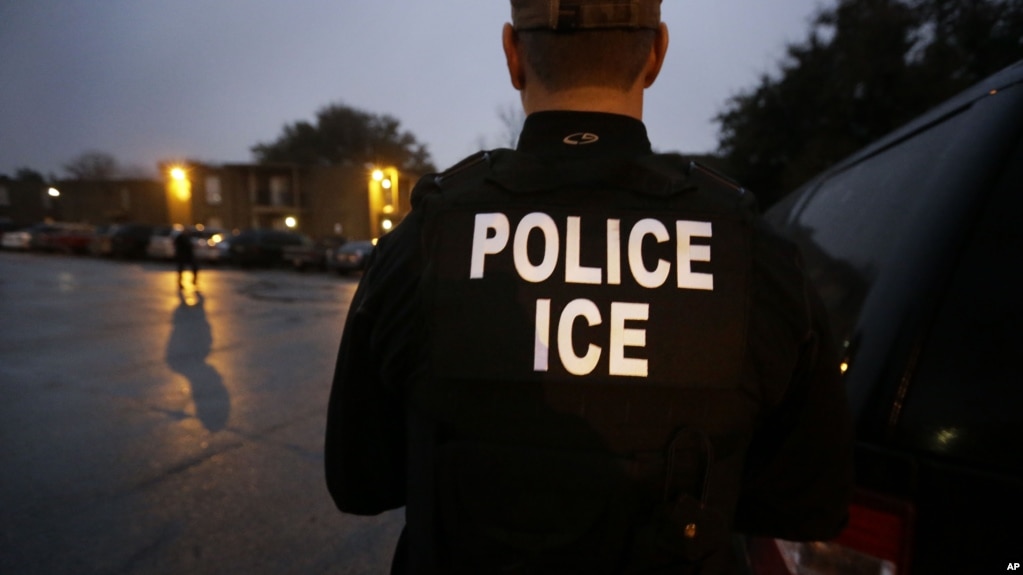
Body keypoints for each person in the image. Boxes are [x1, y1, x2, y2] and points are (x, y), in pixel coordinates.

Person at [325, 1, 853, 573]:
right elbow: (810, 506)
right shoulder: (756, 252)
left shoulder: (423, 238)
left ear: (513, 54)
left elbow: (359, 483)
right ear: (656, 53)